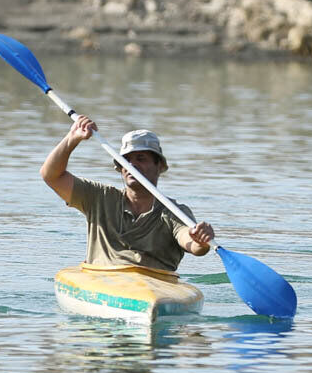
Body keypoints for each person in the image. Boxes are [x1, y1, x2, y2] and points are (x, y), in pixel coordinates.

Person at [41, 115, 214, 271]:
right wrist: (72, 139)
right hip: (102, 279)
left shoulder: (174, 212)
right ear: (120, 168)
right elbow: (51, 176)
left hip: (154, 287)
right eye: (127, 160)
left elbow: (192, 244)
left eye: (141, 159)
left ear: (159, 166)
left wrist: (201, 241)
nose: (132, 165)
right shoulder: (98, 196)